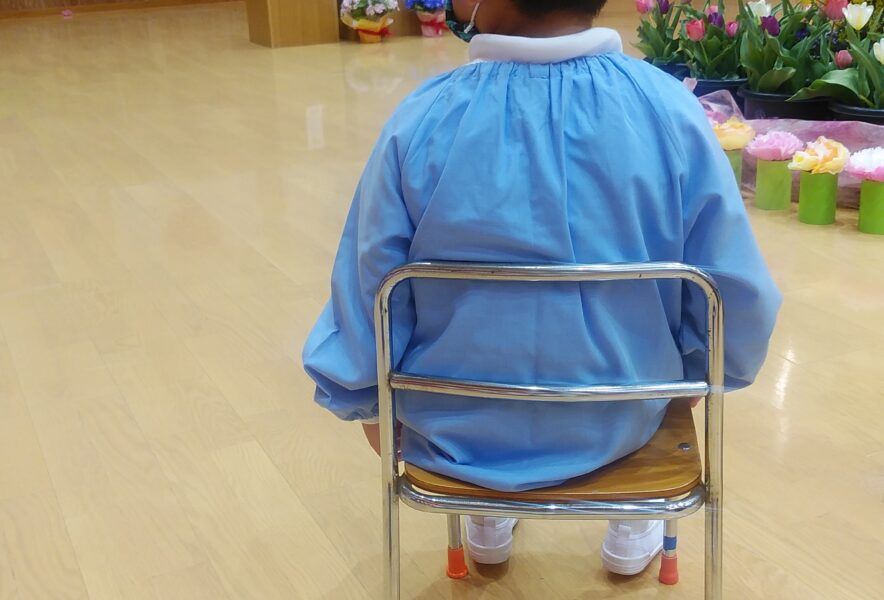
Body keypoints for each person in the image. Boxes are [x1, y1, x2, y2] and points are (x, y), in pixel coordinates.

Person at [302, 0, 781, 576]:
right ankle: (634, 517)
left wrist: (365, 400)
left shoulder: (422, 119)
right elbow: (732, 290)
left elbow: (369, 285)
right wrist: (703, 374)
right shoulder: (667, 110)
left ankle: (486, 509)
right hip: (625, 415)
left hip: (453, 424)